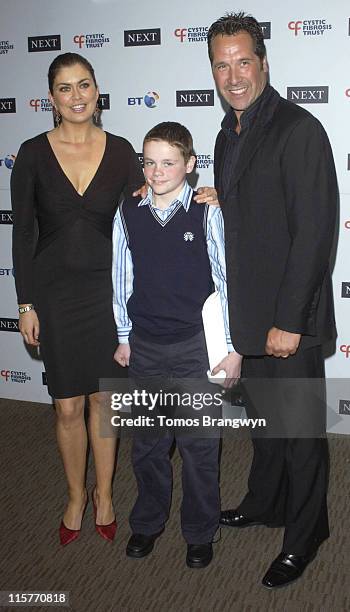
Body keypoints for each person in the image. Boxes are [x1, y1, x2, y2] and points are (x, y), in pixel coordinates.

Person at [207, 13, 337, 588]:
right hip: (249, 317)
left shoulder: (298, 128)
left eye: (242, 61)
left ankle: (307, 534)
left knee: (302, 435)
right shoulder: (224, 134)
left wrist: (288, 322)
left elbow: (314, 231)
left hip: (291, 321)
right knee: (266, 427)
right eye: (221, 64)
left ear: (263, 63)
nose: (233, 75)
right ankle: (265, 502)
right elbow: (248, 217)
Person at [11, 52, 145, 545]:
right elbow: (22, 235)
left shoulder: (123, 151)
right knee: (67, 406)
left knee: (104, 401)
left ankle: (104, 494)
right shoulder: (30, 153)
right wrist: (26, 304)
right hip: (55, 295)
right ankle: (74, 495)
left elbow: (148, 215)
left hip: (108, 296)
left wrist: (201, 198)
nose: (76, 96)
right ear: (51, 98)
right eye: (64, 88)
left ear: (96, 90)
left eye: (83, 85)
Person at [112, 121, 242, 568]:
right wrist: (124, 336)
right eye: (149, 162)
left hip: (194, 347)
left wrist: (231, 347)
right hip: (146, 347)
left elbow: (225, 281)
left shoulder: (207, 211)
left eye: (168, 162)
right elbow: (121, 275)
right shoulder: (128, 210)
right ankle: (147, 523)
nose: (157, 170)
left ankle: (200, 531)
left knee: (199, 446)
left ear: (189, 164)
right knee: (147, 445)